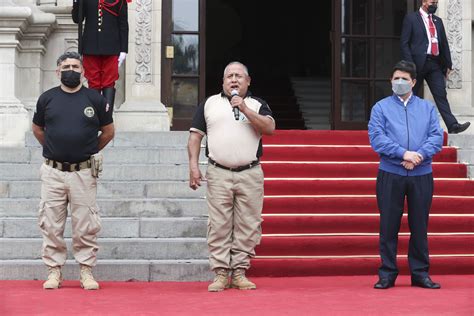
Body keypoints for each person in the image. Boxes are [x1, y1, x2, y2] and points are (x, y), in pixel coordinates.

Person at [187, 61, 275, 292]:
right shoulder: (209, 104)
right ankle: (220, 272)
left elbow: (269, 128)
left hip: (250, 173)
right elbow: (195, 137)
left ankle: (239, 272)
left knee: (248, 223)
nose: (233, 80)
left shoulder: (257, 104)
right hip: (218, 172)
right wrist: (193, 166)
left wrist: (245, 109)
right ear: (223, 81)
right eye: (229, 76)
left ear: (248, 81)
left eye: (238, 76)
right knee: (218, 225)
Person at [32, 51, 115, 290]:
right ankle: (54, 271)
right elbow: (38, 130)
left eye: (76, 66)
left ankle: (86, 271)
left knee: (86, 224)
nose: (71, 70)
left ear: (83, 72)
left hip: (83, 172)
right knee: (51, 223)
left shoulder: (95, 100)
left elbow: (108, 132)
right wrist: (52, 147)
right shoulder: (46, 99)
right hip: (53, 172)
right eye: (66, 66)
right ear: (58, 71)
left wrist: (88, 149)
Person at [368, 60, 443, 290]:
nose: (400, 82)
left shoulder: (427, 108)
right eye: (396, 78)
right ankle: (387, 273)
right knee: (389, 225)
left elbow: (436, 137)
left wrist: (418, 156)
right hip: (391, 172)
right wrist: (403, 154)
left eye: (404, 79)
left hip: (421, 173)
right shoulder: (380, 108)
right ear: (391, 81)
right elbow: (377, 138)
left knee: (419, 225)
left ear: (413, 82)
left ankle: (420, 273)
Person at [400, 0, 470, 134]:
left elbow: (443, 43)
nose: (435, 5)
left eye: (437, 3)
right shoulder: (411, 18)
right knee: (408, 95)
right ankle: (400, 124)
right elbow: (404, 43)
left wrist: (448, 64)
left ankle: (453, 125)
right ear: (424, 1)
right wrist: (410, 65)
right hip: (416, 64)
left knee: (441, 94)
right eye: (433, 2)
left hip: (434, 64)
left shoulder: (438, 21)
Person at [72, 0, 130, 111]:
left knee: (109, 82)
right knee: (93, 82)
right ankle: (94, 116)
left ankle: (107, 118)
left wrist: (124, 50)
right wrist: (76, 2)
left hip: (112, 47)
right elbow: (77, 19)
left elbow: (123, 24)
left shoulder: (119, 1)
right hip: (90, 46)